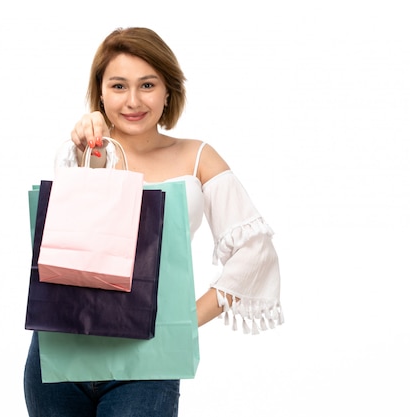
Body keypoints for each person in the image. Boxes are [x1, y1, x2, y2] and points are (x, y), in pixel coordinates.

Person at [24, 27, 283, 417]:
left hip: (149, 361)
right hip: (62, 353)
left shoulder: (198, 157)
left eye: (147, 84)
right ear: (100, 93)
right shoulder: (90, 153)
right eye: (118, 86)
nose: (133, 101)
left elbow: (256, 252)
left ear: (167, 90)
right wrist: (84, 145)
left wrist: (183, 321)